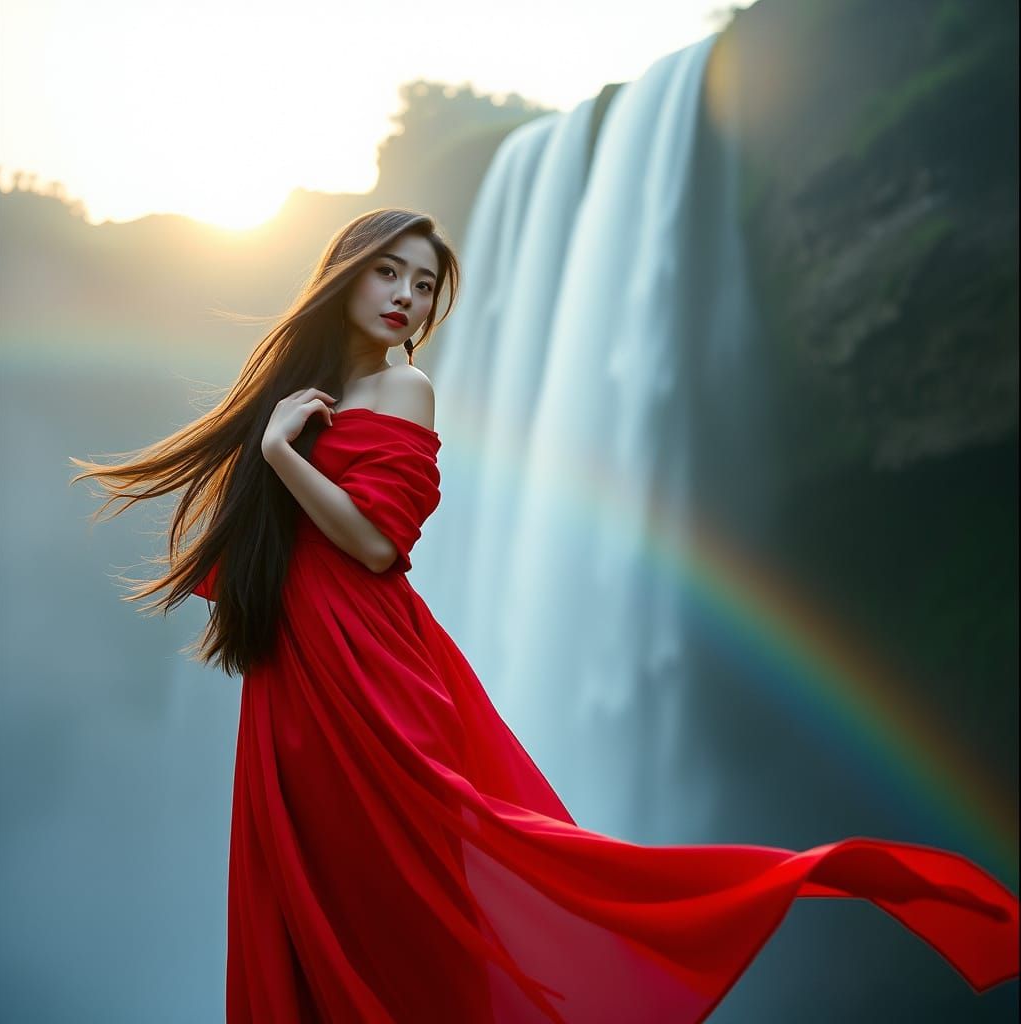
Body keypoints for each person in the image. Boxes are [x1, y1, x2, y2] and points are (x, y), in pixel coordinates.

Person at [70, 207, 1019, 1023]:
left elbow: (375, 544)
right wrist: (275, 447)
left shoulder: (402, 388)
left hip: (372, 678)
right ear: (346, 274)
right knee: (305, 900)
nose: (407, 296)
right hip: (298, 680)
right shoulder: (304, 396)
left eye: (425, 286)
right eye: (389, 272)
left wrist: (283, 456)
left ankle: (810, 882)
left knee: (398, 897)